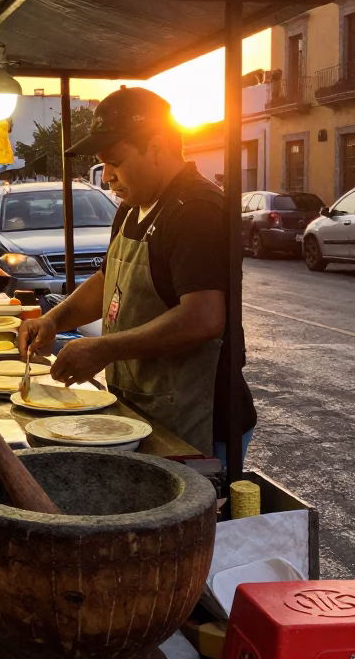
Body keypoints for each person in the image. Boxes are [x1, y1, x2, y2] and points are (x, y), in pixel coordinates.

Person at [17, 88, 256, 462]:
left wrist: (103, 348)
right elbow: (107, 279)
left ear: (158, 147)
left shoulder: (197, 211)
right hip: (144, 407)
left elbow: (204, 316)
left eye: (116, 162)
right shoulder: (132, 207)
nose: (107, 176)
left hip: (201, 423)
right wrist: (53, 318)